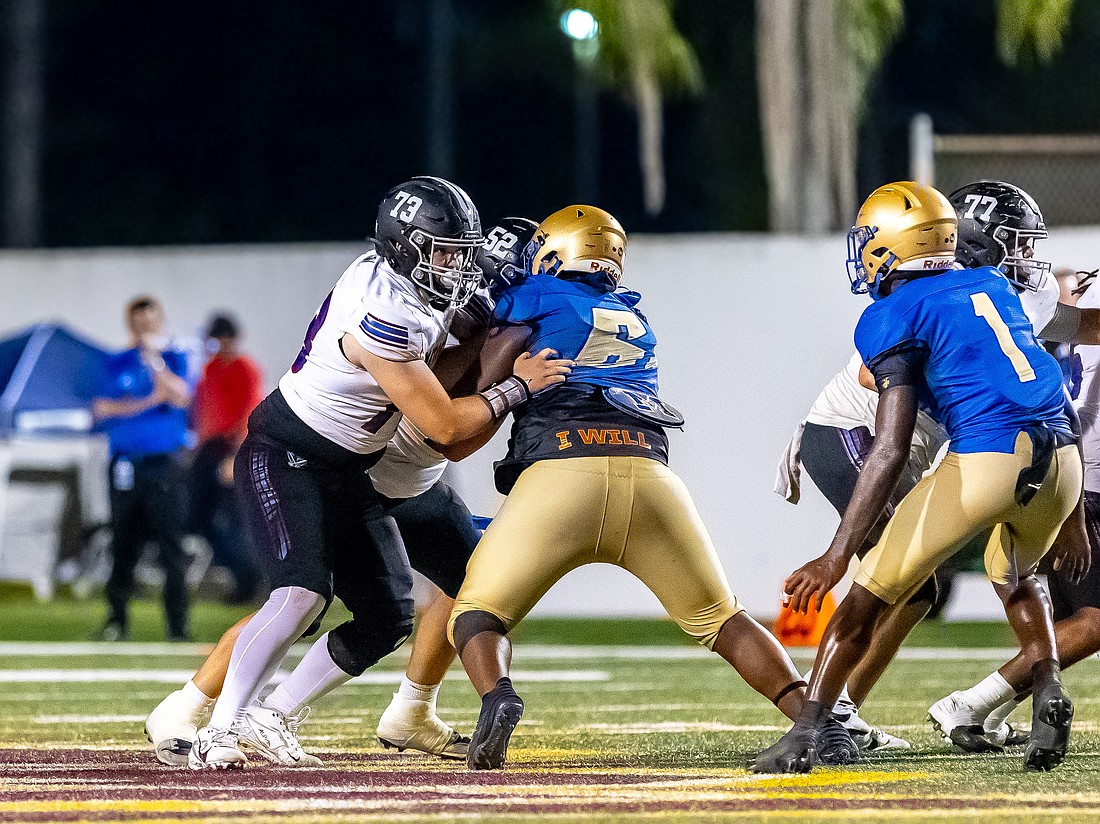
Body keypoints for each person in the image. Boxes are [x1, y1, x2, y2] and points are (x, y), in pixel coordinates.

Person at [443, 205, 859, 771]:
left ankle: (499, 698)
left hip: (561, 473)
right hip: (651, 478)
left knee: (476, 613)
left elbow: (482, 371)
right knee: (725, 619)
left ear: (554, 253)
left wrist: (485, 318)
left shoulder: (532, 296)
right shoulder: (631, 312)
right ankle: (818, 723)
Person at [187, 178, 569, 770]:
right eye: (445, 252)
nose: (457, 267)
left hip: (349, 468)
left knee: (388, 614)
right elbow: (443, 424)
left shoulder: (413, 286)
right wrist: (516, 386)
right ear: (404, 248)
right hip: (290, 452)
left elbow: (456, 346)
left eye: (462, 253)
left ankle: (272, 715)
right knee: (300, 595)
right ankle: (218, 728)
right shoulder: (384, 311)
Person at [752, 181, 1084, 775]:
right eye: (1020, 244)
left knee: (870, 589)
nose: (1030, 257)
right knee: (1009, 574)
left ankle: (812, 729)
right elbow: (1053, 394)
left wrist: (834, 557)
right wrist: (1075, 515)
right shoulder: (995, 288)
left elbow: (892, 444)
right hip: (1057, 458)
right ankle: (1047, 687)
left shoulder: (893, 312)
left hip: (977, 452)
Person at [930, 268, 1100, 751]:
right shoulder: (1060, 304)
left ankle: (987, 712)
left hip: (1071, 475)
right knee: (1093, 622)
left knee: (1068, 626)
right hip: (1081, 482)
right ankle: (970, 704)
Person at [92, 296, 194, 642]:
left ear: (158, 322)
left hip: (163, 463)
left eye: (150, 322)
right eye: (139, 323)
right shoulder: (116, 361)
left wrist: (155, 362)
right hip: (125, 463)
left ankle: (177, 626)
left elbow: (180, 396)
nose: (145, 328)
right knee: (123, 543)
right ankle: (116, 621)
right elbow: (101, 408)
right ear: (131, 324)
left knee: (170, 546)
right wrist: (150, 401)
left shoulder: (173, 358)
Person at [189, 313, 264, 604]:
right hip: (211, 448)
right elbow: (205, 411)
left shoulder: (245, 368)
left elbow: (250, 412)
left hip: (232, 448)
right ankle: (241, 573)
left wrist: (235, 455)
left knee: (232, 519)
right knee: (199, 517)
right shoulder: (211, 369)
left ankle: (249, 578)